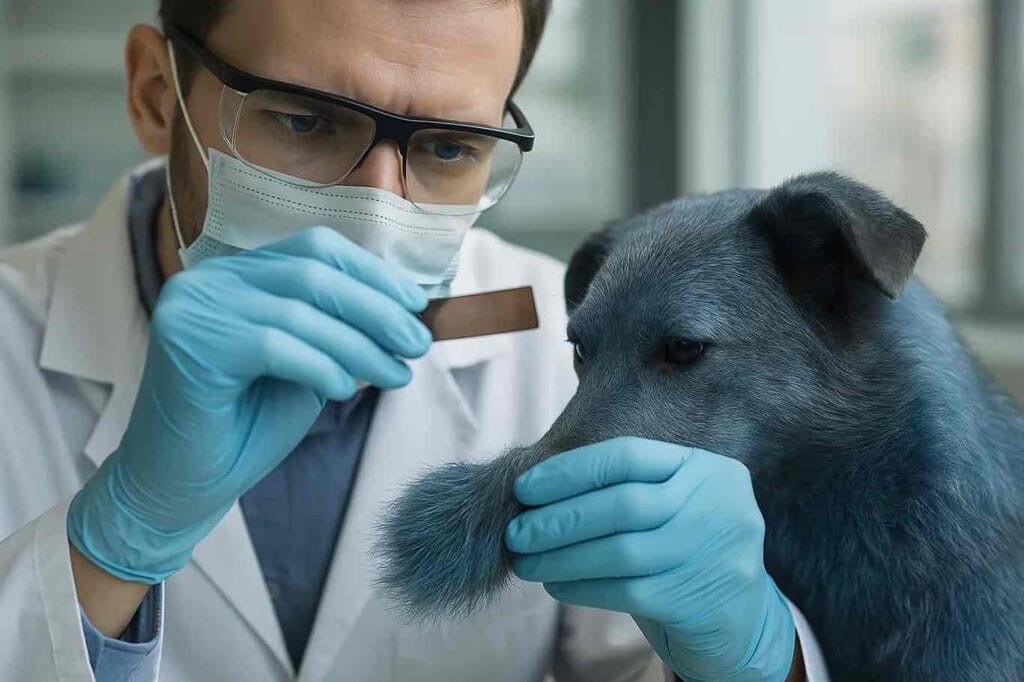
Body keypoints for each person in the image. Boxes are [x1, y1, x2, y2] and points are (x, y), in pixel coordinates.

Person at [0, 1, 828, 679]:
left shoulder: (575, 344)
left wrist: (750, 657)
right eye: (304, 121)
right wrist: (118, 540)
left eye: (447, 147)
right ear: (154, 92)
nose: (376, 218)